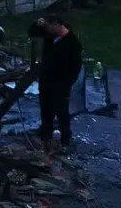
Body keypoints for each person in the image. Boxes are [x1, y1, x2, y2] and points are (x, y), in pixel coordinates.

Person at [27, 15, 83, 148]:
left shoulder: (72, 43)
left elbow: (75, 68)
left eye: (48, 26)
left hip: (60, 83)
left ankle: (65, 137)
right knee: (46, 108)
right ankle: (45, 132)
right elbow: (32, 32)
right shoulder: (50, 36)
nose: (47, 29)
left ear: (57, 24)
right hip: (46, 80)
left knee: (61, 111)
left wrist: (66, 84)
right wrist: (38, 22)